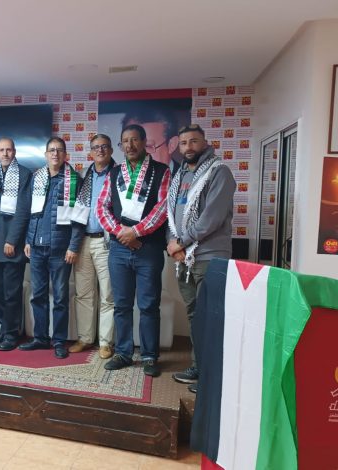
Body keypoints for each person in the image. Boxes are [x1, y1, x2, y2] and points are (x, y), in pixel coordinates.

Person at [166, 124, 236, 393]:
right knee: (195, 314)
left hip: (210, 256)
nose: (188, 147)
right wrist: (174, 245)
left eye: (194, 141)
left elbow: (211, 220)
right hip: (184, 258)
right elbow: (171, 216)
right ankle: (198, 367)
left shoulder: (219, 172)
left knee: (211, 316)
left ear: (205, 143)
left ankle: (211, 376)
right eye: (183, 143)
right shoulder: (180, 175)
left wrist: (181, 242)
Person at [97, 124, 171, 377]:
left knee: (149, 305)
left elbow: (162, 208)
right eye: (124, 141)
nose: (129, 145)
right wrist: (122, 233)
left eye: (134, 140)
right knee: (121, 304)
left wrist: (136, 232)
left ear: (144, 142)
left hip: (148, 249)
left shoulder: (161, 171)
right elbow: (102, 207)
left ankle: (149, 355)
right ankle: (124, 353)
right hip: (119, 249)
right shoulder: (114, 172)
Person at [19, 137, 84, 359]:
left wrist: (73, 246)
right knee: (37, 295)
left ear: (65, 154)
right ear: (46, 154)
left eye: (59, 150)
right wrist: (28, 240)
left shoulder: (74, 180)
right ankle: (40, 338)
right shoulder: (36, 177)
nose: (55, 154)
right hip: (37, 248)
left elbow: (79, 217)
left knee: (60, 298)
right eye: (51, 150)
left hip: (61, 249)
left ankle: (59, 341)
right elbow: (31, 213)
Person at [70, 134, 116, 358]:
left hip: (106, 241)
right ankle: (85, 338)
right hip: (83, 241)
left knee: (108, 294)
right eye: (96, 147)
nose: (100, 150)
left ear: (111, 150)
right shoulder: (83, 176)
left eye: (104, 146)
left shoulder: (118, 175)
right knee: (84, 293)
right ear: (90, 152)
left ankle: (106, 342)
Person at [0, 138, 32, 351]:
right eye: (1, 150)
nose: (5, 154)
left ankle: (12, 334)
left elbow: (23, 210)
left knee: (11, 292)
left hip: (12, 242)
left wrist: (12, 240)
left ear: (14, 152)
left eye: (8, 150)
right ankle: (4, 329)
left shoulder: (24, 174)